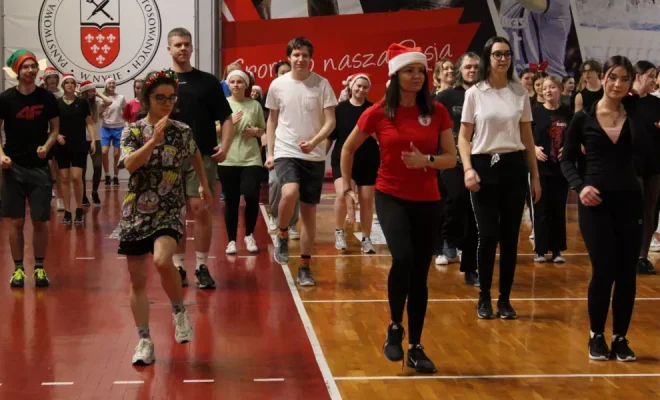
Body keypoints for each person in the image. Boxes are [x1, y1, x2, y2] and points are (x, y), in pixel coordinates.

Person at [341, 43, 456, 373]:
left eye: (421, 71)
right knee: (403, 258)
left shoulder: (437, 111)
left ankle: (416, 346)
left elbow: (451, 158)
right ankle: (394, 326)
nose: (417, 76)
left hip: (429, 199)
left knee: (420, 274)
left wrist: (427, 160)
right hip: (390, 195)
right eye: (410, 71)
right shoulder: (378, 112)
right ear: (395, 75)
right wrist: (346, 186)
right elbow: (347, 149)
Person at [560, 55, 653, 362]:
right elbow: (566, 159)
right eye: (612, 77)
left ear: (631, 83)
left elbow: (647, 151)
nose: (617, 84)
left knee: (627, 273)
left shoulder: (636, 113)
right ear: (602, 78)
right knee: (603, 271)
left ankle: (620, 337)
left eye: (625, 79)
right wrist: (580, 186)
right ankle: (596, 334)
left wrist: (638, 108)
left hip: (630, 201)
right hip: (595, 203)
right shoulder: (583, 118)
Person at [117, 68, 212, 366]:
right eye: (161, 98)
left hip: (169, 207)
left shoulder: (182, 130)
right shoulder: (132, 131)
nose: (167, 103)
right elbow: (129, 165)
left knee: (161, 260)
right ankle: (144, 340)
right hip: (135, 212)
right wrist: (153, 140)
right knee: (137, 282)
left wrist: (204, 184)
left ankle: (179, 311)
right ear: (147, 98)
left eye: (171, 98)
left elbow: (195, 154)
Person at [458, 36, 540, 320]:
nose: (503, 59)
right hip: (483, 166)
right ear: (488, 58)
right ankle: (484, 297)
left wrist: (535, 177)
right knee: (488, 235)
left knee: (510, 237)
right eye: (497, 54)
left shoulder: (520, 92)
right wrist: (468, 169)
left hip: (514, 167)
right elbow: (463, 137)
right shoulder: (475, 93)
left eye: (506, 54)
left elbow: (527, 138)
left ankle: (505, 299)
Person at [265, 36, 338, 286]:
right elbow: (272, 120)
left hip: (314, 155)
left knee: (309, 213)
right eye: (296, 55)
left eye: (305, 55)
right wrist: (270, 153)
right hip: (286, 150)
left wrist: (315, 142)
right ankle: (282, 232)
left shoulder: (322, 84)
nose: (300, 59)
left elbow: (331, 121)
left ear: (310, 58)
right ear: (289, 57)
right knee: (289, 191)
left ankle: (305, 266)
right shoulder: (277, 85)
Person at [168, 27, 233, 289]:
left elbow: (226, 117)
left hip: (203, 155)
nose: (183, 48)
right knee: (176, 211)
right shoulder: (161, 81)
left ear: (192, 48)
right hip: (169, 158)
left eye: (187, 44)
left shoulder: (208, 82)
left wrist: (225, 146)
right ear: (169, 49)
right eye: (178, 45)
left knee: (200, 208)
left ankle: (202, 266)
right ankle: (178, 267)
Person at [0, 49, 60, 288]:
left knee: (40, 221)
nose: (31, 70)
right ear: (17, 70)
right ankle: (17, 269)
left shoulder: (47, 98)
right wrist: (1, 155)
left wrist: (47, 146)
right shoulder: (5, 99)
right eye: (26, 66)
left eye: (34, 66)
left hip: (39, 168)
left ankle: (39, 267)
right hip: (12, 168)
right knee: (15, 222)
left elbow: (55, 130)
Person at [434, 52, 480, 286]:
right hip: (452, 160)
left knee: (475, 212)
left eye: (476, 67)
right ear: (460, 70)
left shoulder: (485, 95)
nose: (472, 71)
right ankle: (448, 240)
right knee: (456, 197)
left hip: (480, 159)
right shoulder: (446, 97)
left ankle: (470, 265)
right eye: (468, 67)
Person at [328, 73, 378, 254]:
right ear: (351, 86)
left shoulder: (373, 109)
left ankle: (366, 238)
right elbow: (330, 136)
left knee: (366, 199)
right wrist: (318, 156)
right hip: (342, 160)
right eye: (358, 86)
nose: (361, 90)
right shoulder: (339, 109)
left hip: (368, 160)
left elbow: (380, 136)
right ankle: (339, 231)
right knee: (343, 195)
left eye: (365, 87)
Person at [218, 69, 266, 254]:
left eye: (240, 82)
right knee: (231, 201)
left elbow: (262, 129)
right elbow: (214, 129)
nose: (236, 85)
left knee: (251, 195)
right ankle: (231, 240)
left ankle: (249, 235)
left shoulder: (254, 105)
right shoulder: (222, 104)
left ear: (246, 84)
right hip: (228, 158)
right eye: (233, 82)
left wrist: (256, 132)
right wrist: (229, 124)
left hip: (251, 158)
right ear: (228, 84)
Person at [532, 75, 572, 263]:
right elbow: (525, 137)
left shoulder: (568, 113)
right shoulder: (535, 113)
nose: (548, 90)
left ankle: (557, 250)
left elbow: (576, 137)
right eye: (545, 87)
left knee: (558, 209)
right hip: (540, 169)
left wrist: (569, 148)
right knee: (541, 209)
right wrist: (534, 149)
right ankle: (540, 250)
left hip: (561, 169)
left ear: (560, 90)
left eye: (552, 87)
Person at [264, 61, 301, 236]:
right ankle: (274, 215)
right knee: (275, 182)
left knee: (294, 186)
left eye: (288, 71)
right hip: (277, 144)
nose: (285, 74)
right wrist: (269, 151)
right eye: (281, 72)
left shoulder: (300, 91)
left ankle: (292, 223)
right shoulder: (273, 92)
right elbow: (268, 121)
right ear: (276, 75)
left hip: (296, 145)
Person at [631, 61, 660, 275]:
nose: (654, 80)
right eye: (650, 75)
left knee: (650, 209)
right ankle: (628, 254)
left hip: (654, 163)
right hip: (630, 164)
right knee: (633, 209)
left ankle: (642, 256)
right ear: (638, 76)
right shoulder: (625, 102)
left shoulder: (657, 103)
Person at [55, 74, 96, 225]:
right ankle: (67, 211)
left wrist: (93, 140)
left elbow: (89, 123)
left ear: (75, 85)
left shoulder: (82, 103)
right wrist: (56, 135)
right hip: (62, 145)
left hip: (79, 144)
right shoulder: (57, 103)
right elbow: (52, 124)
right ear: (63, 85)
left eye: (72, 82)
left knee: (77, 177)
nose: (70, 85)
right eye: (67, 82)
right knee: (64, 178)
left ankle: (79, 209)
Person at [498, 0, 572, 77]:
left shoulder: (559, 2)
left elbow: (530, 3)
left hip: (548, 79)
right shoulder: (506, 3)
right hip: (517, 79)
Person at [79, 81, 112, 206]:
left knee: (98, 166)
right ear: (84, 92)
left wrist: (98, 94)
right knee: (82, 169)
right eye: (90, 90)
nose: (92, 93)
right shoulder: (79, 104)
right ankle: (83, 195)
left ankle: (94, 192)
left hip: (96, 139)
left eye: (93, 90)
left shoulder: (97, 104)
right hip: (82, 140)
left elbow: (109, 102)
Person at [42, 67, 65, 211]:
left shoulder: (62, 95)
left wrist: (59, 133)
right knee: (49, 166)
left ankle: (61, 199)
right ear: (45, 79)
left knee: (60, 168)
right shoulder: (41, 94)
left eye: (54, 77)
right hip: (45, 134)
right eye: (49, 78)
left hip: (60, 134)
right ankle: (49, 190)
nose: (51, 80)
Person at [100, 77, 126, 187]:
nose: (111, 85)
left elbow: (125, 111)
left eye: (113, 83)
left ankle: (115, 176)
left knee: (116, 154)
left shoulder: (121, 98)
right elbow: (98, 112)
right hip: (105, 127)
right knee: (104, 152)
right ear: (106, 85)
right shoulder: (102, 98)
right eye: (109, 83)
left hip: (118, 128)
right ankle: (107, 175)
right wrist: (101, 113)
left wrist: (126, 123)